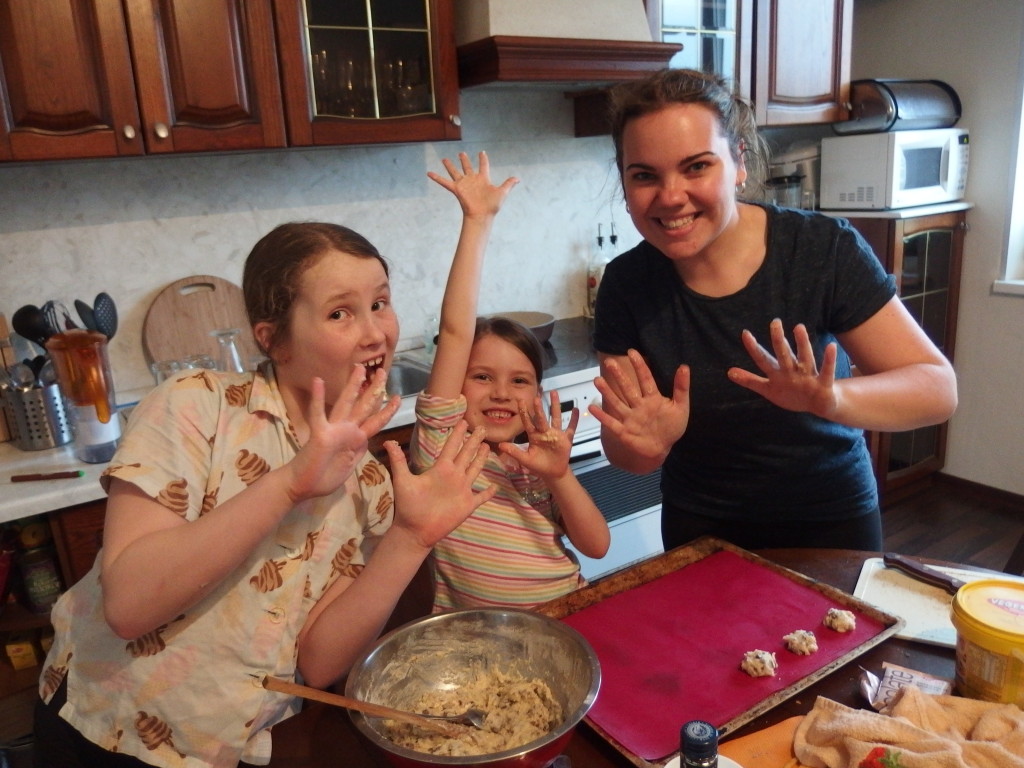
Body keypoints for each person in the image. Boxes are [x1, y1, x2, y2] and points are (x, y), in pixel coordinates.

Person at [33, 222, 497, 768]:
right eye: (340, 313)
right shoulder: (194, 406)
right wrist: (291, 483)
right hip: (105, 729)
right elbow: (129, 606)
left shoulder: (370, 482)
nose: (376, 333)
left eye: (381, 302)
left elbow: (320, 662)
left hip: (227, 748)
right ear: (271, 338)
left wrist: (410, 537)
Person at [590, 68, 958, 552]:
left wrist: (830, 402)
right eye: (644, 176)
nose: (671, 196)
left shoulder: (820, 250)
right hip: (700, 529)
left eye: (697, 166)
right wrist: (647, 445)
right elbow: (627, 456)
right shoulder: (626, 284)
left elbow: (936, 389)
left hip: (830, 523)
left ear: (738, 162)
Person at [411, 151, 610, 611]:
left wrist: (559, 475)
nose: (501, 392)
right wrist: (477, 221)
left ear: (536, 396)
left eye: (520, 381)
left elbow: (597, 546)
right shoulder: (443, 448)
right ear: (455, 388)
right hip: (474, 639)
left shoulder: (537, 462)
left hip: (565, 617)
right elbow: (458, 330)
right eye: (481, 376)